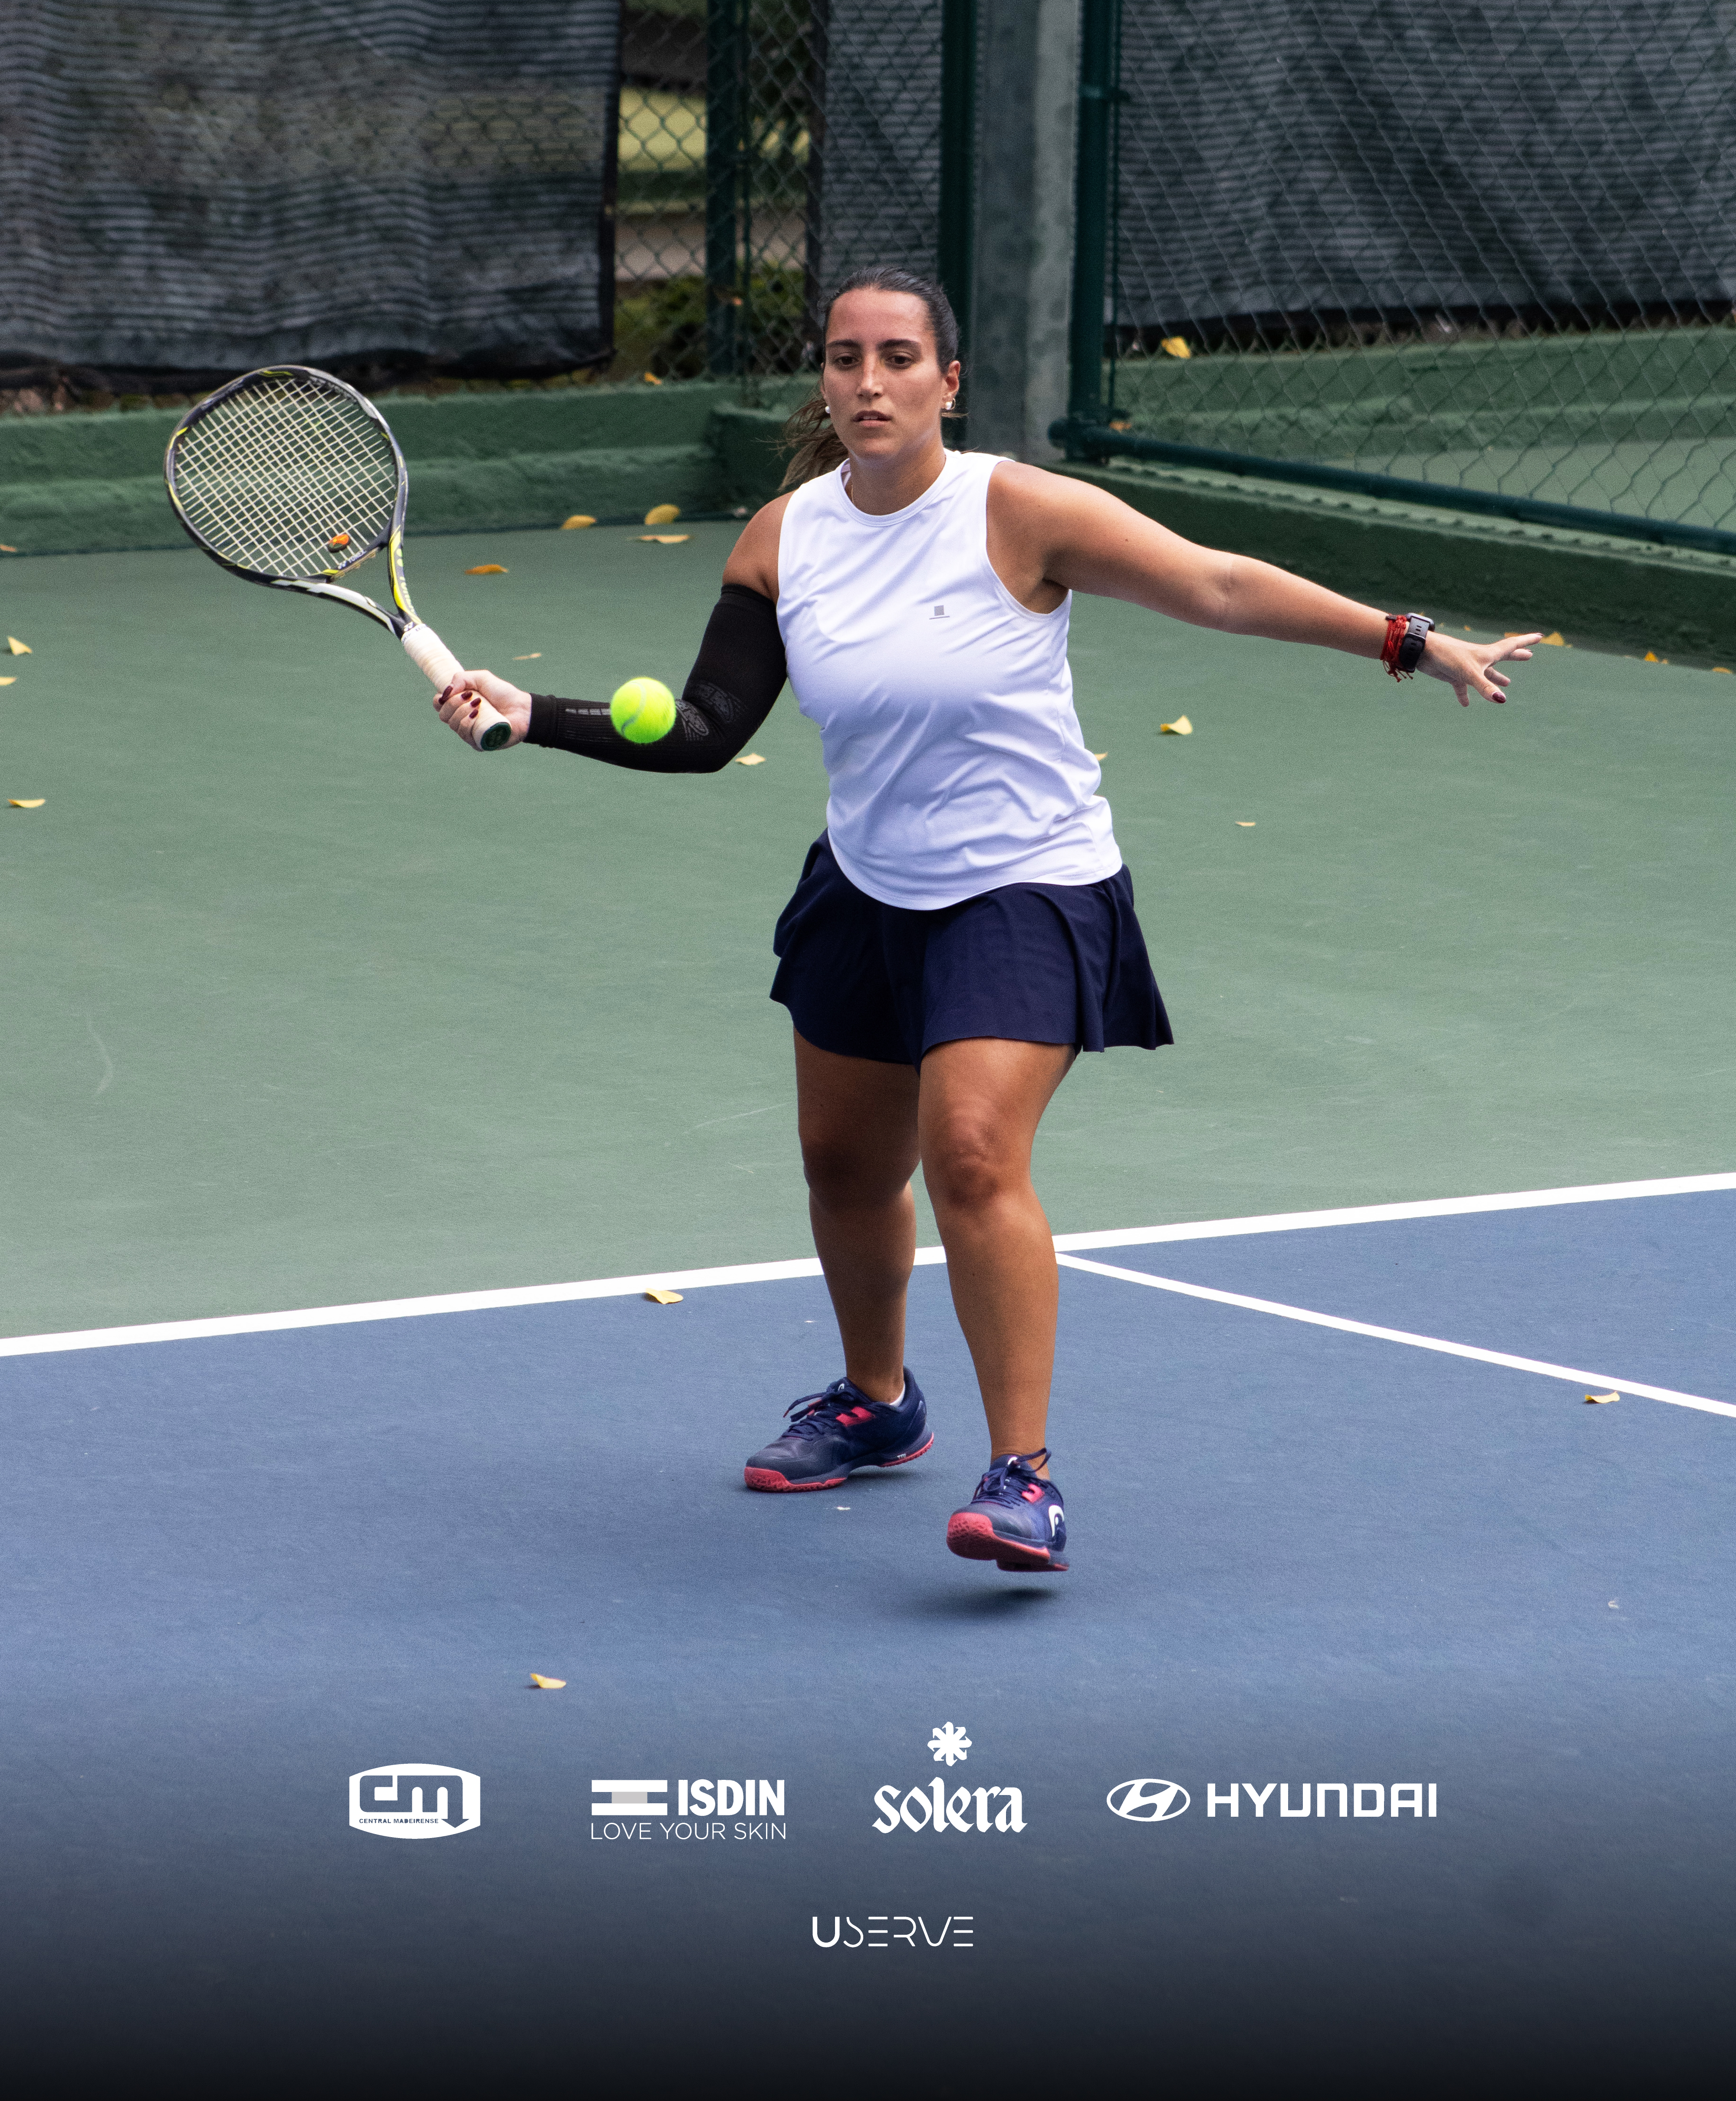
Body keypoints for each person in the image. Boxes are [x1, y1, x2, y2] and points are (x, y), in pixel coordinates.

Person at [436, 266, 1538, 1575]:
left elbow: (1221, 585)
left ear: (946, 382)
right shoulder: (783, 538)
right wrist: (532, 712)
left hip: (1027, 882)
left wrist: (1405, 641)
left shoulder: (1016, 510)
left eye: (897, 357)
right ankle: (878, 1400)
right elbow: (705, 729)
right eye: (844, 360)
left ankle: (1025, 1476)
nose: (867, 383)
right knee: (845, 1169)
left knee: (967, 1152)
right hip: (867, 886)